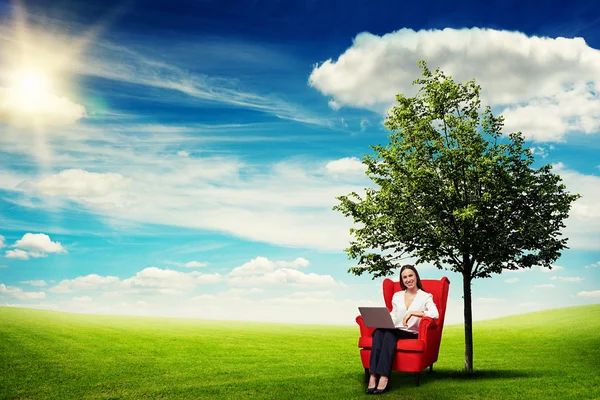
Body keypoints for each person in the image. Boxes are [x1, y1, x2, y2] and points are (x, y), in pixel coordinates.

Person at [366, 264, 439, 394]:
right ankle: (373, 376)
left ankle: (383, 377)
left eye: (410, 275)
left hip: (411, 332)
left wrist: (413, 313)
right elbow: (394, 315)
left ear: (416, 276)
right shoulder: (397, 296)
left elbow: (435, 314)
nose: (408, 279)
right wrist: (382, 319)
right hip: (395, 329)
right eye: (404, 277)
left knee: (388, 333)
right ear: (402, 280)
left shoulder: (425, 296)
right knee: (379, 331)